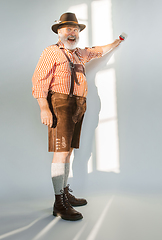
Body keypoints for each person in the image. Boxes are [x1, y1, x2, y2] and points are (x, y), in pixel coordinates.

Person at [32, 12, 122, 221]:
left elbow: (99, 51)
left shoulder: (80, 54)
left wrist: (116, 42)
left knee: (69, 150)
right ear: (59, 32)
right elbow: (39, 81)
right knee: (61, 152)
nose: (72, 33)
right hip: (60, 104)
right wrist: (44, 107)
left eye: (75, 29)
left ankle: (64, 193)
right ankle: (58, 203)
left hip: (78, 105)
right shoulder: (51, 52)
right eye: (67, 29)